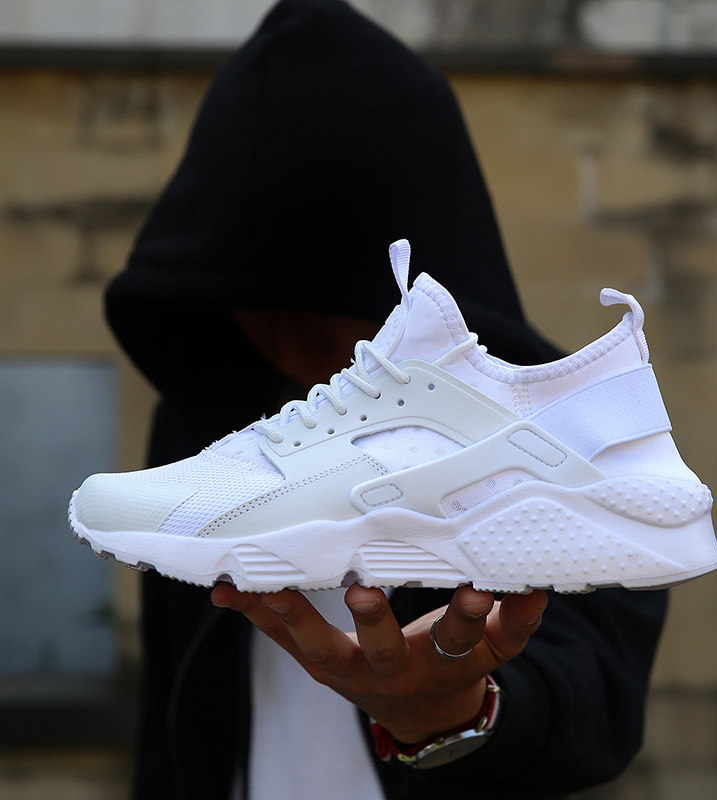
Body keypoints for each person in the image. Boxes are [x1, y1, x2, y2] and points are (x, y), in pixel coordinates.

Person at [103, 1, 667, 797]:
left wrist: (453, 712)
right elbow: (171, 717)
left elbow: (594, 693)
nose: (290, 343)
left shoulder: (557, 425)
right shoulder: (206, 423)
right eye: (255, 305)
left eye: (316, 308)